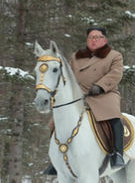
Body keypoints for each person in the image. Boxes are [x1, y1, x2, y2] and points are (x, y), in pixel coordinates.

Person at [44, 27, 125, 175]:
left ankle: (117, 154)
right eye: (91, 37)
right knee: (56, 121)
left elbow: (116, 74)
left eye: (97, 37)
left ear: (104, 40)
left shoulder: (114, 56)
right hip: (78, 97)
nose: (94, 40)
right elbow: (66, 75)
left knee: (114, 119)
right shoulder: (77, 57)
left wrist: (100, 86)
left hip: (104, 95)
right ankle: (55, 160)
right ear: (87, 40)